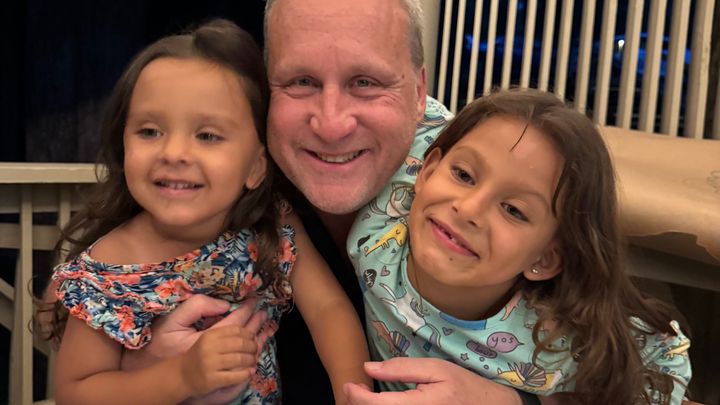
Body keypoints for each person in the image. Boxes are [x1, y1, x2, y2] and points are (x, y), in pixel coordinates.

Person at [46, 19, 370, 405]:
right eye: (150, 131)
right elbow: (75, 393)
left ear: (255, 167)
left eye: (207, 136)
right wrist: (181, 376)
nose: (173, 153)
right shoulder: (106, 274)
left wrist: (354, 395)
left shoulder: (270, 223)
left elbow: (329, 311)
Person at [344, 89, 692, 404]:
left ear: (545, 258)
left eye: (513, 210)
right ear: (428, 170)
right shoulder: (394, 202)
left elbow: (666, 360)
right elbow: (401, 95)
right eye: (464, 175)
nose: (469, 209)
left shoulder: (553, 338)